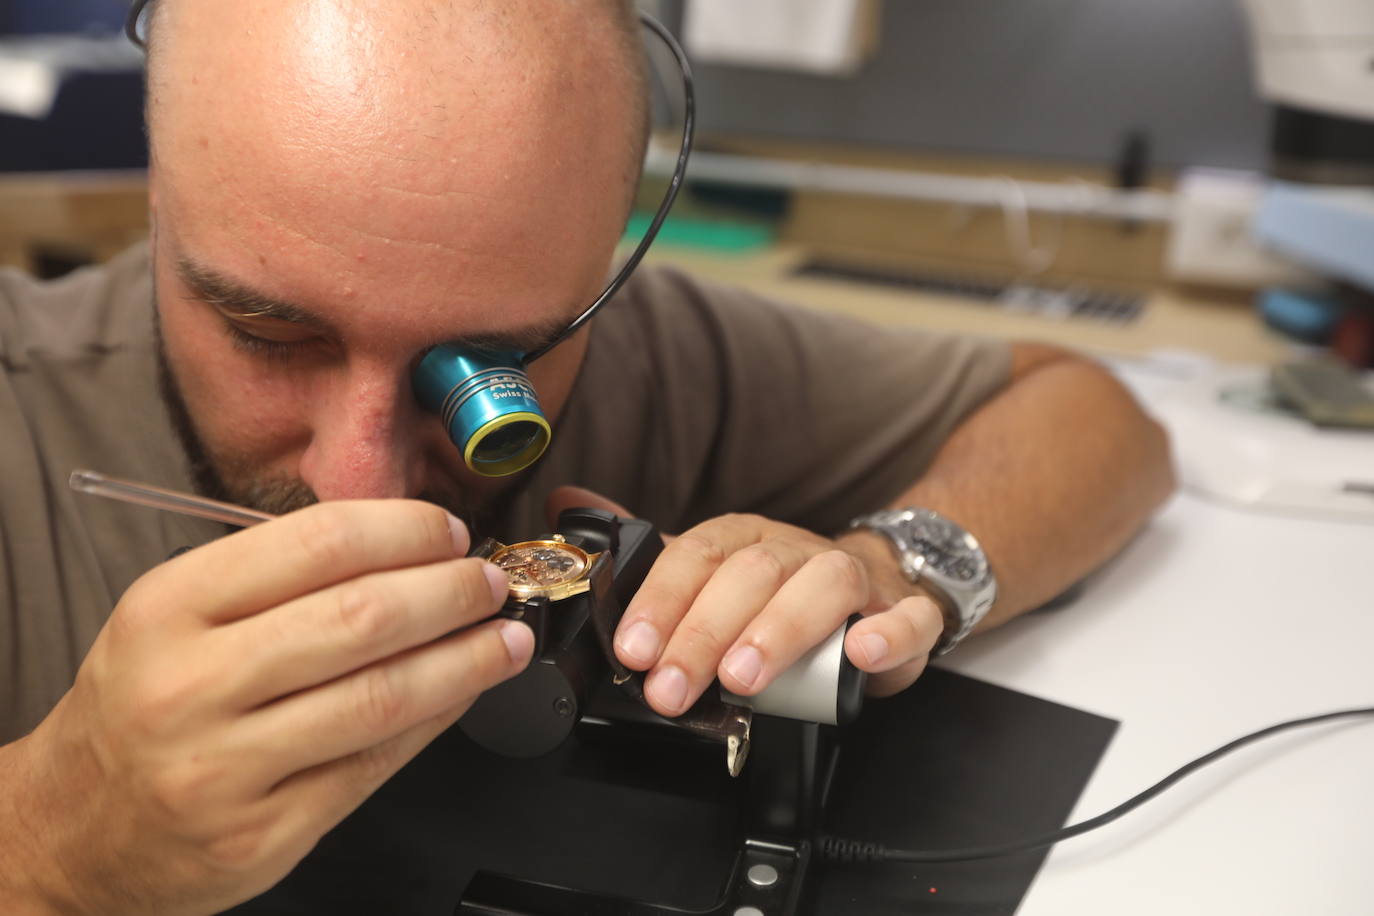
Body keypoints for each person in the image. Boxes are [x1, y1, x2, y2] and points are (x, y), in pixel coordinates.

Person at [0, 0, 1174, 912]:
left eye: (489, 372)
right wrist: (51, 848)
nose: (362, 485)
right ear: (157, 203)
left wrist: (893, 569)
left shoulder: (653, 353)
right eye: (266, 332)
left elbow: (1089, 416)